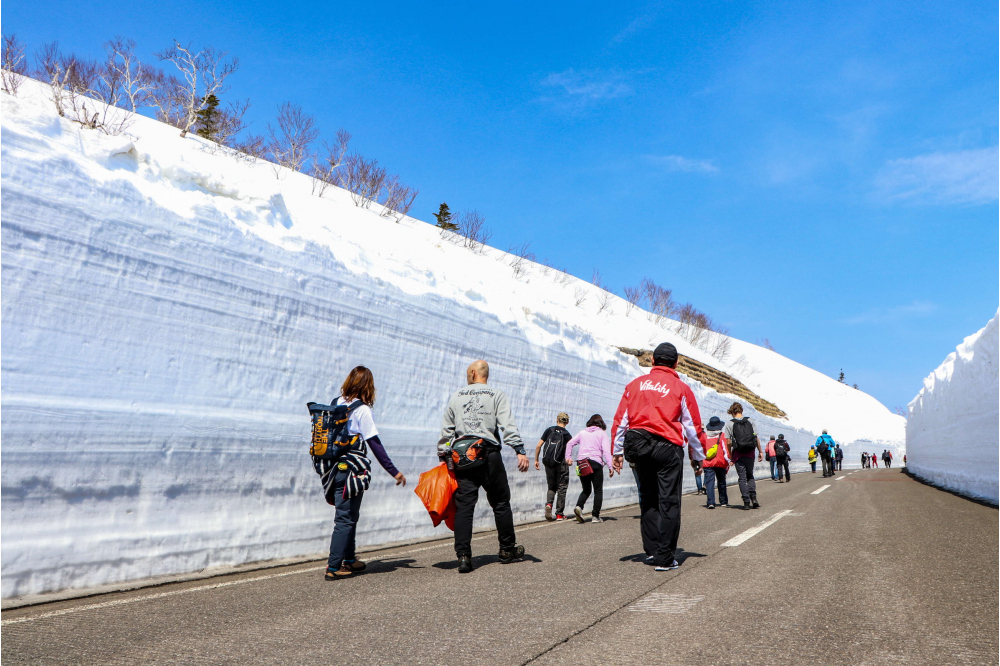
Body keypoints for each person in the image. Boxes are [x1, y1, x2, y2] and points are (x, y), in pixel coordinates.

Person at [611, 342, 707, 572]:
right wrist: (697, 455)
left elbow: (620, 421)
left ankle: (653, 552)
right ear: (675, 364)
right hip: (667, 447)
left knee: (648, 498)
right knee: (669, 501)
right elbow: (692, 427)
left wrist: (616, 451)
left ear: (652, 361)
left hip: (638, 445)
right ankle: (665, 557)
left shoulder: (634, 385)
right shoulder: (681, 388)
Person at [317, 366, 407, 581]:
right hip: (352, 471)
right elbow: (374, 443)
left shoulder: (334, 403)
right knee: (345, 519)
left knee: (350, 515)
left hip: (332, 469)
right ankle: (333, 567)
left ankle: (349, 559)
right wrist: (394, 471)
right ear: (368, 386)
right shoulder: (362, 410)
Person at [439, 360, 528, 574]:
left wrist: (444, 455)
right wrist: (519, 450)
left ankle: (463, 556)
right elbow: (507, 424)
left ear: (472, 372)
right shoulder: (496, 395)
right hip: (489, 456)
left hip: (463, 457)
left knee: (464, 507)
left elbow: (447, 430)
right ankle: (507, 550)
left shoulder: (456, 396)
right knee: (500, 502)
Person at [565, 414, 614, 523]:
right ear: (601, 423)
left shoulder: (582, 433)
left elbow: (570, 443)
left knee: (586, 489)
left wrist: (568, 458)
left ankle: (579, 507)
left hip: (582, 463)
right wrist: (610, 466)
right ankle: (595, 516)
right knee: (598, 490)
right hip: (595, 463)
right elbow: (606, 451)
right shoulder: (602, 433)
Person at [534, 412, 572, 521]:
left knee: (551, 486)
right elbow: (569, 451)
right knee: (562, 487)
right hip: (561, 463)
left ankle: (549, 505)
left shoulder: (549, 430)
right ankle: (559, 514)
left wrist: (536, 460)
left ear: (557, 420)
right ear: (567, 422)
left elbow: (538, 446)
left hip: (548, 462)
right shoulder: (567, 435)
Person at [724, 402, 763, 509]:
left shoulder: (730, 424)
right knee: (750, 475)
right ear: (741, 410)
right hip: (750, 453)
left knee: (742, 478)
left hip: (738, 454)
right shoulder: (750, 421)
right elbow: (756, 438)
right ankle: (753, 498)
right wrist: (760, 451)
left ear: (732, 412)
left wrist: (731, 456)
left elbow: (728, 442)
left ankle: (746, 501)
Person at [701, 416, 730, 509]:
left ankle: (711, 502)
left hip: (708, 463)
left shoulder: (704, 436)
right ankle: (723, 501)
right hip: (720, 462)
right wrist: (729, 460)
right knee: (721, 481)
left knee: (709, 482)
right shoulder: (722, 436)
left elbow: (700, 450)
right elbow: (726, 450)